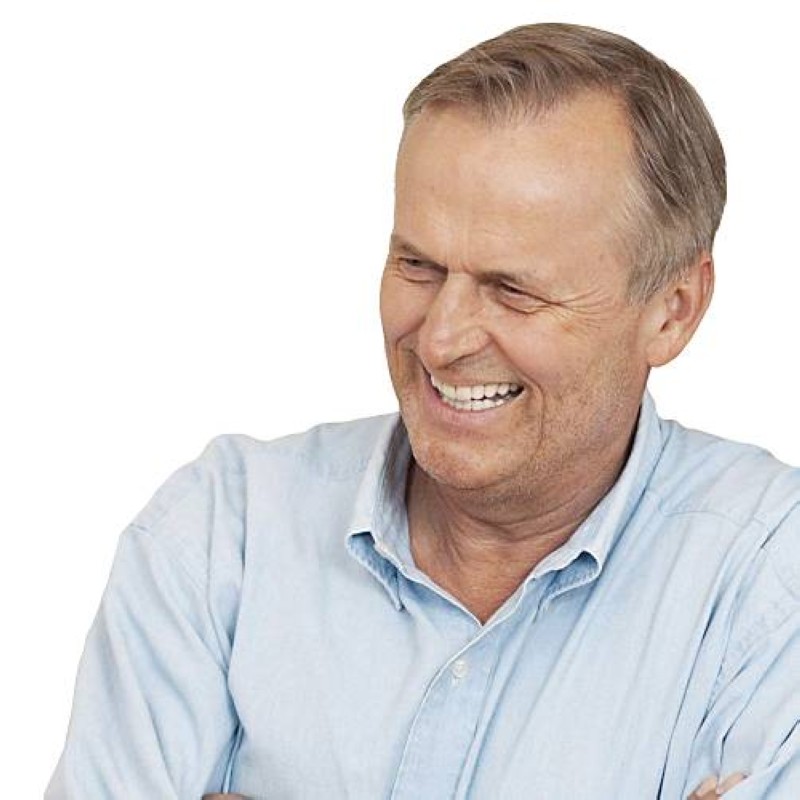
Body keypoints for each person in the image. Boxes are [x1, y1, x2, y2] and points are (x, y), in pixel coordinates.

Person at [46, 22, 799, 799]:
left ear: (673, 310)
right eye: (418, 265)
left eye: (513, 290)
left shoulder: (772, 578)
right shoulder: (220, 537)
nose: (440, 339)